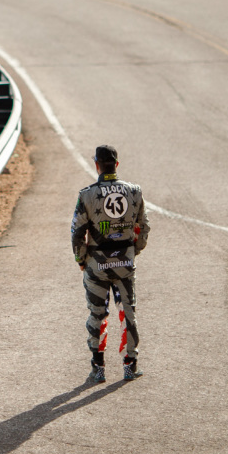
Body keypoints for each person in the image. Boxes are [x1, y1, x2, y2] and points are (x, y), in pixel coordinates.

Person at [71, 145, 150, 383]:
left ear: (97, 165)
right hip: (125, 263)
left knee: (97, 314)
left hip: (97, 265)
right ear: (116, 164)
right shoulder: (134, 192)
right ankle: (130, 366)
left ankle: (99, 368)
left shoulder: (86, 195)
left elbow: (77, 233)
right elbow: (144, 227)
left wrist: (81, 260)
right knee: (128, 313)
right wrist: (133, 251)